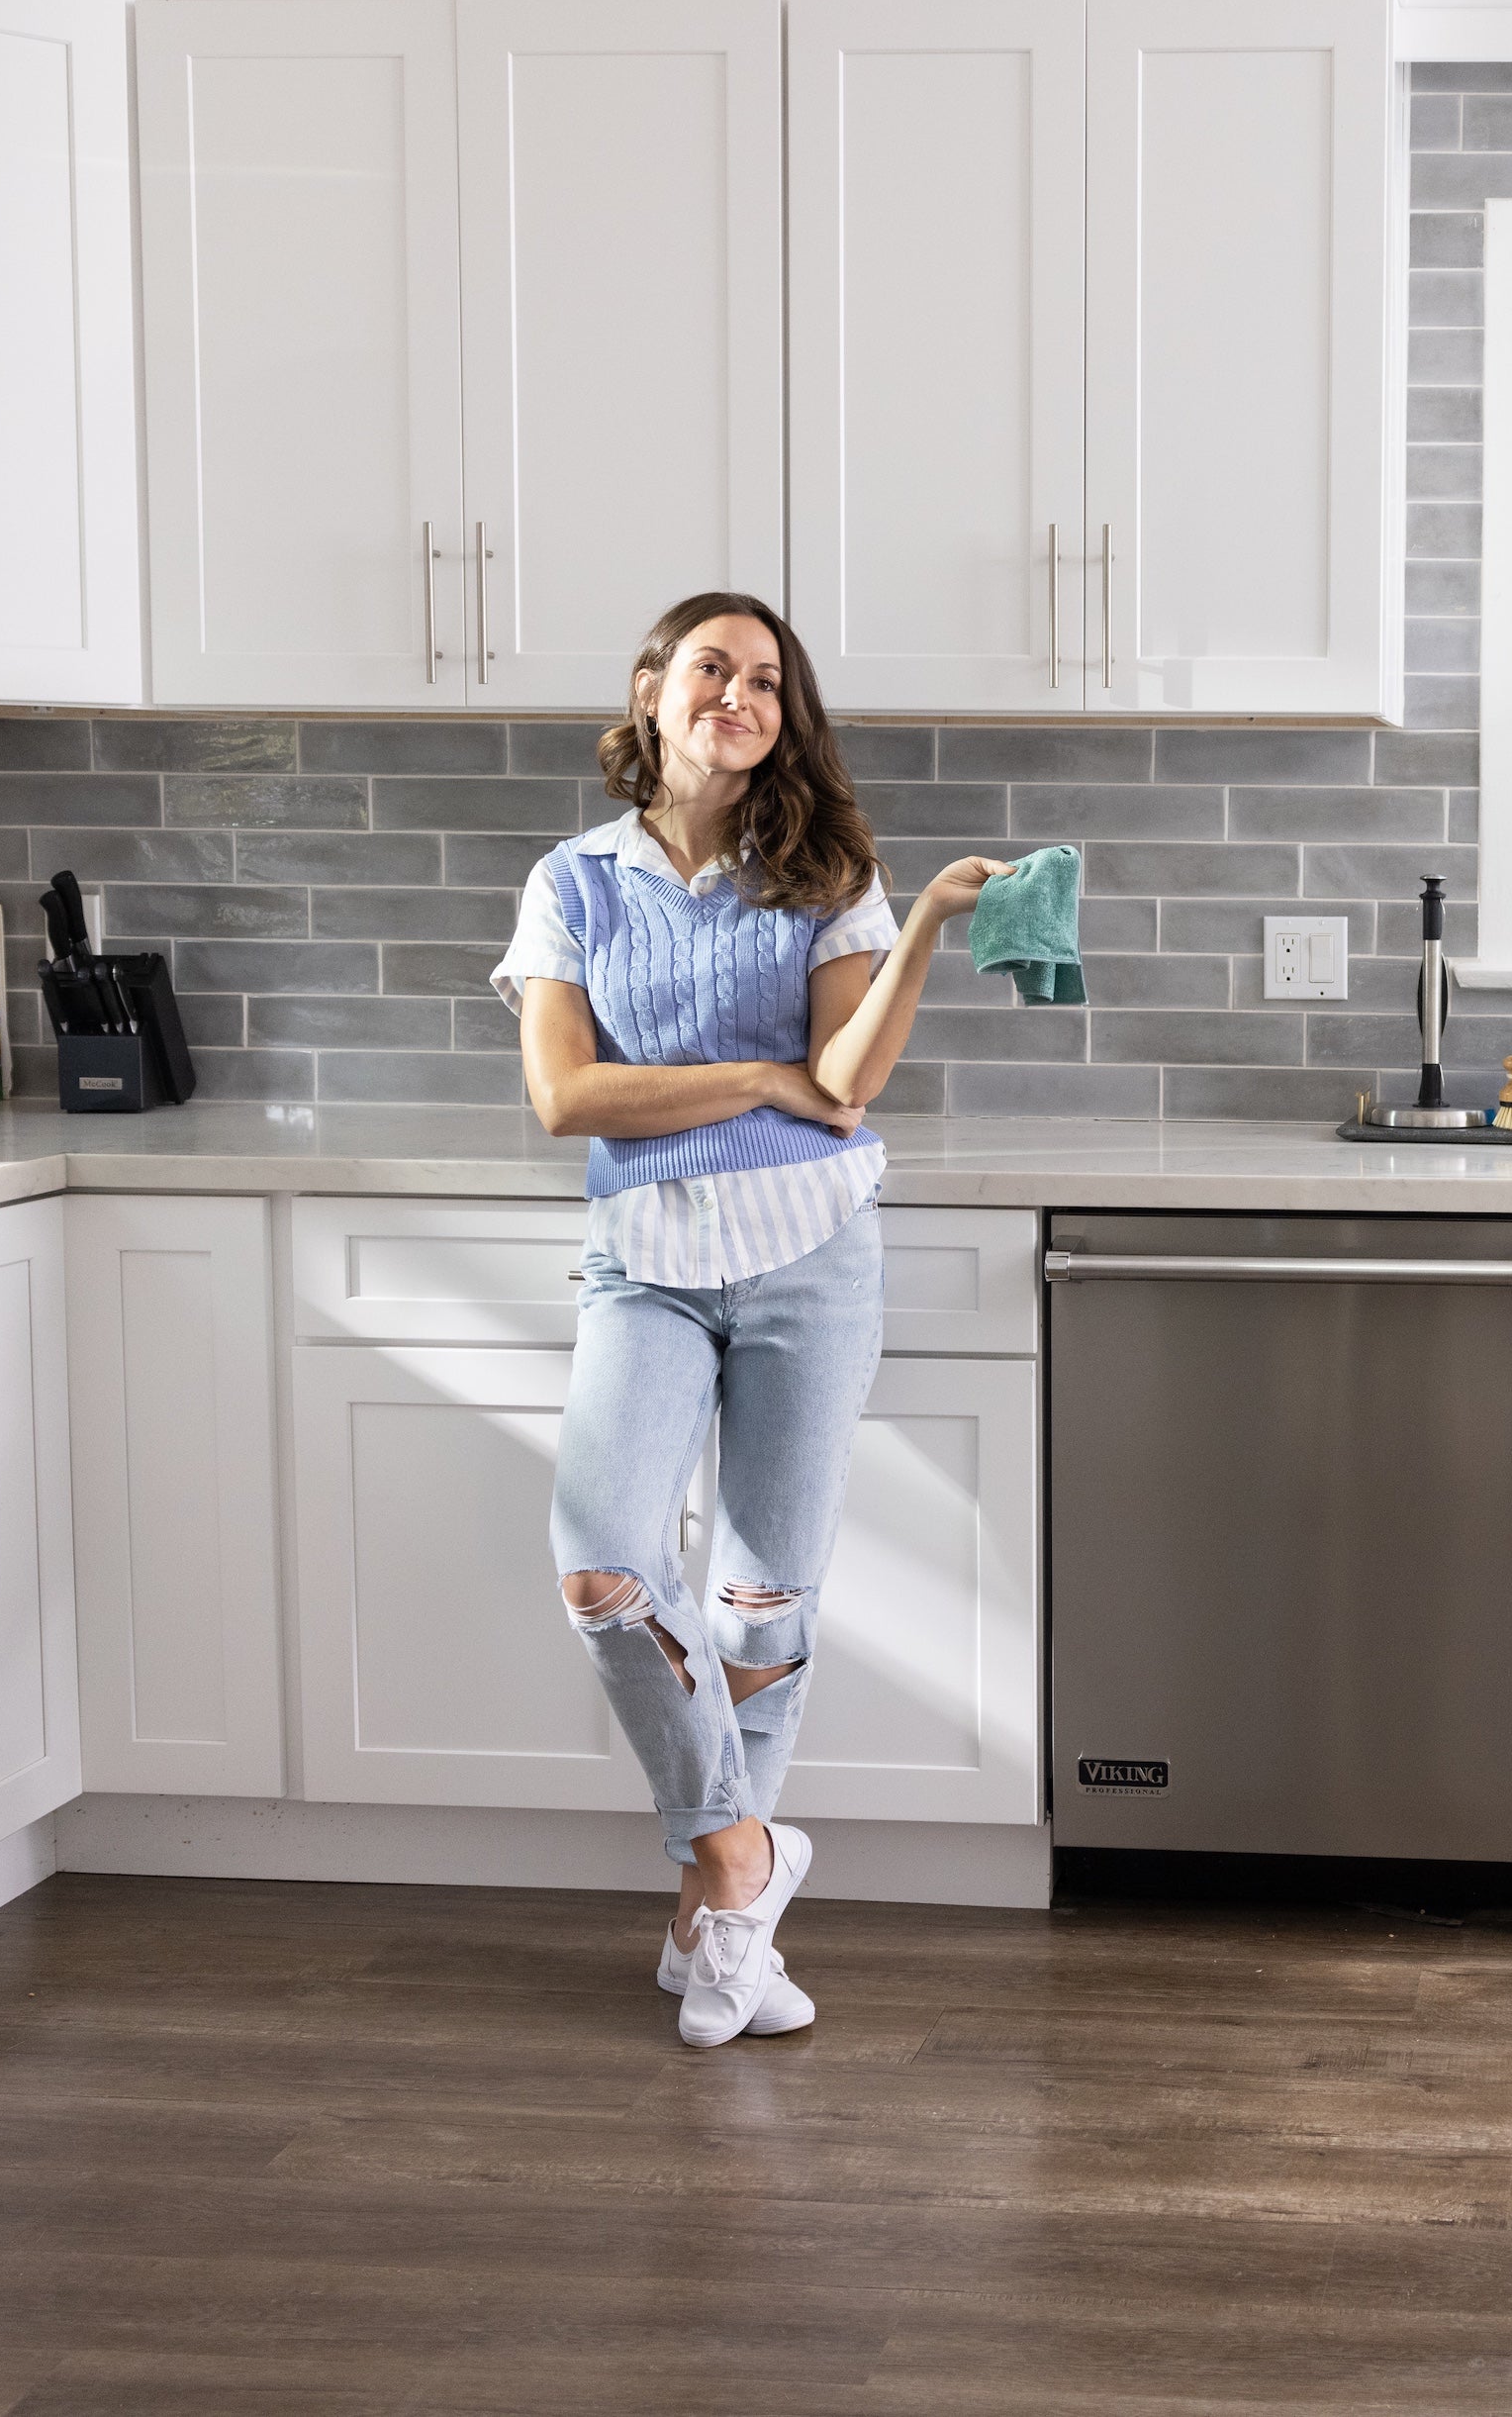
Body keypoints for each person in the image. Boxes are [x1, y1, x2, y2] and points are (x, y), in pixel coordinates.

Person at [492, 589, 1007, 2047]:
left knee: (763, 1602)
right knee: (603, 1563)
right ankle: (738, 1854)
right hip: (645, 1262)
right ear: (652, 689)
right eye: (712, 668)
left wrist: (915, 936)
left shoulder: (828, 872)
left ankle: (714, 1940)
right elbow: (565, 1097)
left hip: (811, 1257)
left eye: (768, 679)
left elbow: (844, 1082)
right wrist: (760, 1080)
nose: (742, 695)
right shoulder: (572, 884)